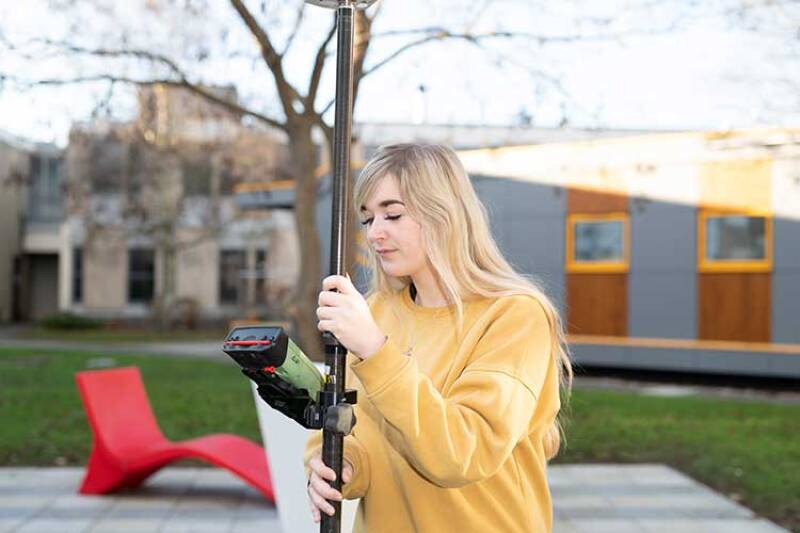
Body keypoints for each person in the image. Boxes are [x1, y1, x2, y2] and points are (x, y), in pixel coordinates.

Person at [304, 143, 572, 532]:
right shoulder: (376, 312)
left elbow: (463, 453)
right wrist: (339, 464)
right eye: (367, 219)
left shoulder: (515, 316)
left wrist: (375, 351)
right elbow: (356, 429)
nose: (375, 233)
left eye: (393, 214)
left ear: (444, 214)